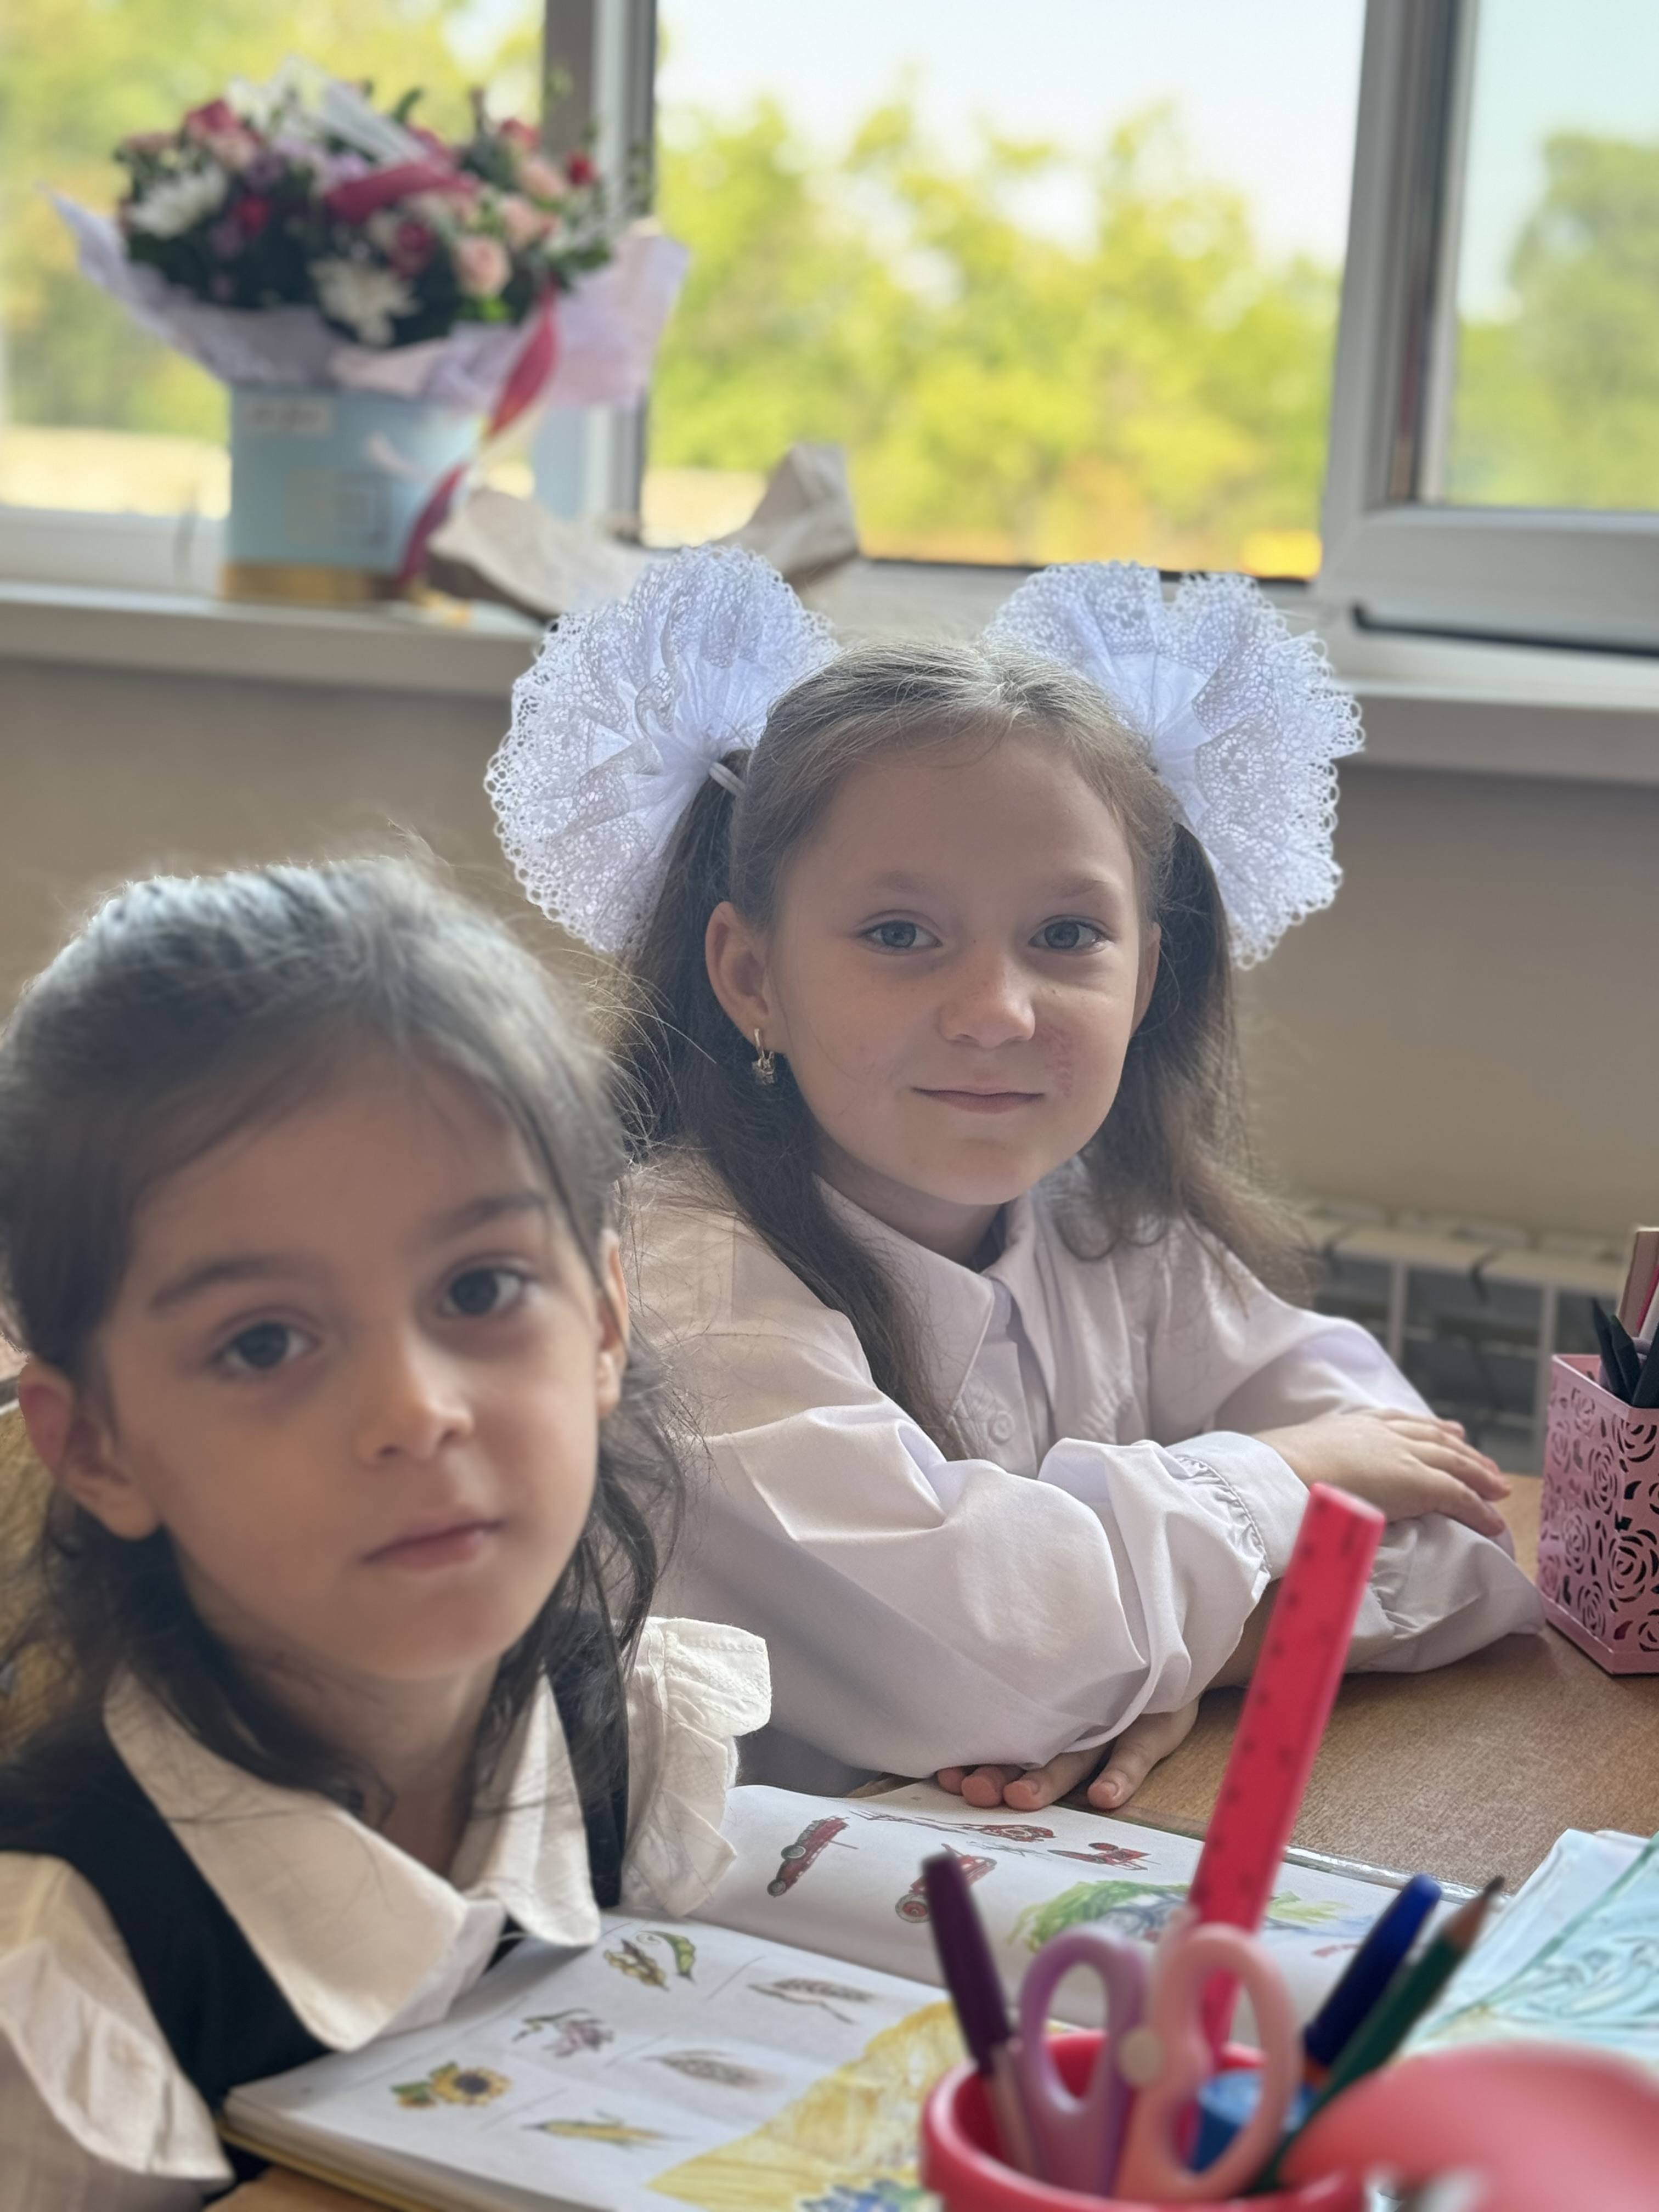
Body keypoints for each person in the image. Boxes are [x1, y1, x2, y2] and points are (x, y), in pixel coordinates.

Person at [489, 548, 1541, 1809]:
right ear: (751, 977)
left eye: (1065, 935)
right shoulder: (681, 1297)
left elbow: (1460, 1539)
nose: (996, 1009)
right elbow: (998, 1659)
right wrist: (1286, 1477)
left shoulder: (1111, 1230)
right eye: (900, 934)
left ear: (1145, 978)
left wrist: (1169, 1665)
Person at [0, 859, 769, 2209]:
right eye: (263, 1342)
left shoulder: (639, 1735)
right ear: (100, 1448)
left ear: (602, 1322)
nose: (416, 1412)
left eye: (479, 1288)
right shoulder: (60, 1961)